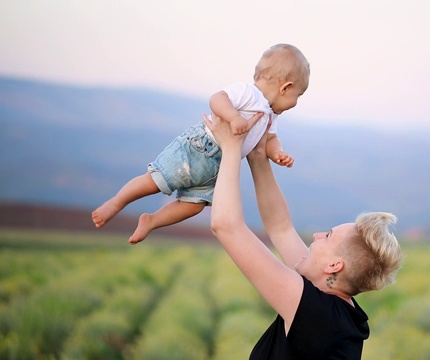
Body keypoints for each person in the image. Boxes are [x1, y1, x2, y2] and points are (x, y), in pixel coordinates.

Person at [206, 114, 403, 359]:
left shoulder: (318, 316)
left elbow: (226, 226)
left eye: (328, 236)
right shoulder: (332, 303)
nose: (317, 236)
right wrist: (257, 156)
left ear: (334, 265)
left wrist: (231, 148)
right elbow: (281, 227)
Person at [91, 43, 310, 244]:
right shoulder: (247, 93)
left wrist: (277, 152)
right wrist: (234, 117)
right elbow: (217, 99)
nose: (296, 103)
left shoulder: (270, 116)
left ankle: (151, 221)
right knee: (154, 181)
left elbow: (270, 140)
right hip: (199, 149)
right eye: (298, 95)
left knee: (193, 206)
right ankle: (116, 202)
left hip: (218, 167)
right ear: (285, 87)